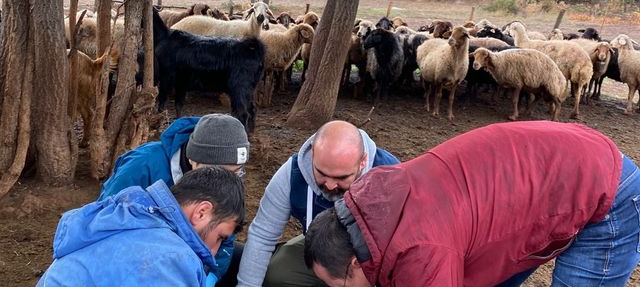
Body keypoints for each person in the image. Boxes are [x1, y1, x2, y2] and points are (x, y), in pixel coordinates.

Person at [304, 121, 640, 287]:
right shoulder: (370, 198)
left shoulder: (422, 252)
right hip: (556, 163)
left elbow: (422, 261)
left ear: (353, 265)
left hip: (604, 192)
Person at [237, 120, 400, 287]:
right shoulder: (292, 174)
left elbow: (408, 248)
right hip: (321, 248)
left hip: (374, 260)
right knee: (278, 272)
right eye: (321, 173)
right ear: (313, 153)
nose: (329, 185)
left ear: (363, 161)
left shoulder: (390, 175)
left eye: (341, 177)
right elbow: (262, 235)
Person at [98, 113, 249, 283]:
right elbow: (105, 222)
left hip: (187, 253)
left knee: (243, 257)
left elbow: (224, 239)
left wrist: (210, 277)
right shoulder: (142, 166)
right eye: (218, 170)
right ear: (193, 159)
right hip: (140, 258)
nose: (227, 181)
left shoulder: (231, 183)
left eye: (237, 171)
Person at [37, 166, 245, 287]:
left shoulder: (129, 215)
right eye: (219, 237)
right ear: (201, 212)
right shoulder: (171, 258)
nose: (216, 250)